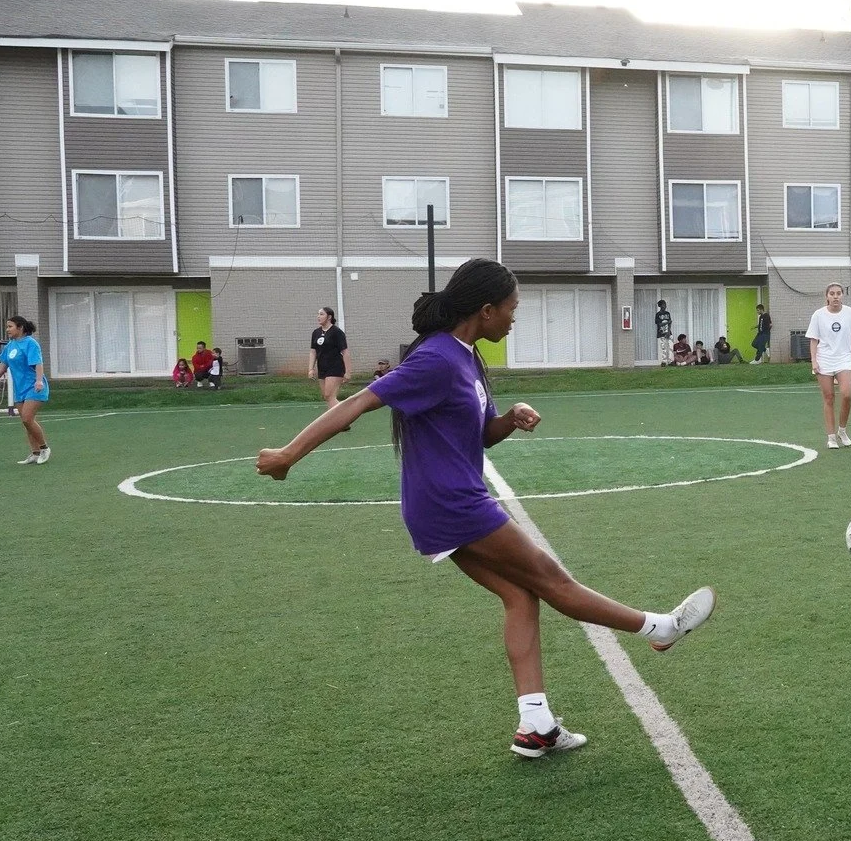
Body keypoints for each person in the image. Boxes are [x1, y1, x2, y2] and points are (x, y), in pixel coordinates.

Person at [256, 258, 715, 760]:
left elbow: (477, 435)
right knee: (552, 580)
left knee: (521, 596)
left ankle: (535, 724)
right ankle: (661, 628)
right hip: (451, 504)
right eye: (513, 309)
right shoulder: (434, 358)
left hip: (443, 502)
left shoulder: (467, 356)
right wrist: (287, 456)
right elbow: (357, 404)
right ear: (486, 309)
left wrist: (508, 419)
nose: (515, 318)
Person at [0, 315, 49, 465]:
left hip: (34, 387)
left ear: (21, 328)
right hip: (20, 389)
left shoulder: (30, 343)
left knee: (27, 418)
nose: (7, 330)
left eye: (10, 326)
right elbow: (2, 367)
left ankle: (44, 448)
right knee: (26, 422)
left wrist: (38, 381)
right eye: (7, 326)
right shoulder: (10, 346)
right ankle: (35, 453)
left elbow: (38, 363)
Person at [807, 283, 851, 449]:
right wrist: (814, 361)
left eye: (838, 293)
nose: (835, 296)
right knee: (829, 397)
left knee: (846, 394)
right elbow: (813, 340)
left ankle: (842, 430)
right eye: (832, 293)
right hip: (824, 359)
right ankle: (831, 437)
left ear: (842, 295)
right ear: (827, 296)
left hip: (844, 358)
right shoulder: (818, 315)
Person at [309, 307, 348, 406]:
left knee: (330, 395)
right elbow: (313, 351)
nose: (318, 316)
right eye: (318, 314)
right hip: (322, 367)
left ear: (329, 317)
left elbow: (345, 352)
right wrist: (311, 369)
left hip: (335, 367)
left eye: (321, 314)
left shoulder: (337, 332)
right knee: (327, 397)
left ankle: (342, 417)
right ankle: (336, 419)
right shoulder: (316, 332)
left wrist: (348, 372)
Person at [654, 300, 673, 365]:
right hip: (661, 333)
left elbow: (670, 323)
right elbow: (659, 324)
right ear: (660, 305)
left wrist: (668, 332)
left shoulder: (668, 313)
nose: (665, 306)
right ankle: (664, 361)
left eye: (665, 304)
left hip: (668, 333)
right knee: (663, 348)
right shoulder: (658, 314)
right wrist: (667, 322)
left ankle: (670, 361)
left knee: (670, 347)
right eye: (664, 304)